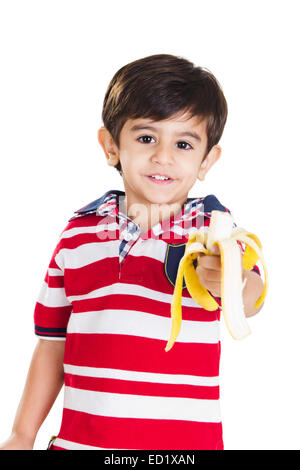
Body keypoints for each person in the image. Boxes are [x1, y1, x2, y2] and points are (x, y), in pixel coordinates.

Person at [0, 54, 264, 450]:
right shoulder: (78, 233)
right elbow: (52, 343)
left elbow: (252, 294)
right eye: (145, 138)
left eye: (184, 143)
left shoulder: (215, 231)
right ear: (111, 146)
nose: (163, 156)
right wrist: (22, 435)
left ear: (207, 160)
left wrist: (231, 280)